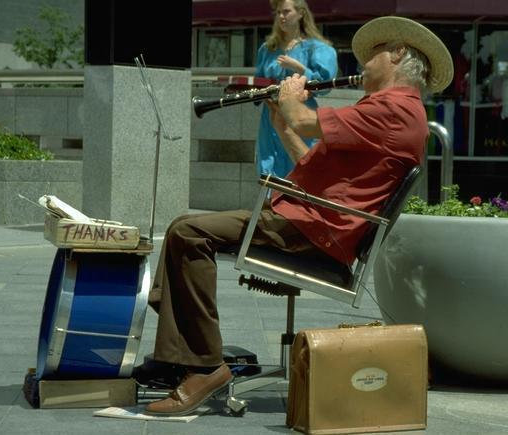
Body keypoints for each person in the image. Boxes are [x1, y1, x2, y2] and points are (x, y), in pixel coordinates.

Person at [139, 16, 453, 416]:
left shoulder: (395, 109)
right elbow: (309, 158)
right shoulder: (387, 109)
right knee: (184, 228)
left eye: (374, 53)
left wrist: (291, 97)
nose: (364, 63)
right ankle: (176, 356)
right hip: (312, 220)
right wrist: (280, 123)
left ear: (397, 53)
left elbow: (305, 120)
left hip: (317, 231)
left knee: (189, 232)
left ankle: (203, 365)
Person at [254, 0, 338, 177]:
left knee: (300, 159)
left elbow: (324, 84)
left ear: (300, 14)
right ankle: (271, 203)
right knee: (270, 161)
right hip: (271, 115)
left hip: (300, 112)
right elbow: (259, 79)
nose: (281, 17)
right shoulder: (267, 48)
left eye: (286, 12)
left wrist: (299, 67)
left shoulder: (316, 48)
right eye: (278, 13)